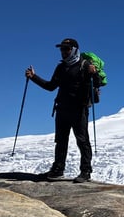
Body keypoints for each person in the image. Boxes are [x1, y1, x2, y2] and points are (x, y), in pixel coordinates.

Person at [25, 38, 100, 183]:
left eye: (67, 49)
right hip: (62, 109)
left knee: (82, 140)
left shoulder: (85, 65)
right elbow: (51, 86)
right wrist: (33, 77)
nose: (63, 52)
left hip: (79, 109)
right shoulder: (61, 67)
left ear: (75, 50)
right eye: (62, 49)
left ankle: (85, 172)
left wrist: (94, 73)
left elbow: (96, 84)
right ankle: (58, 170)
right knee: (60, 141)